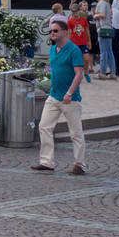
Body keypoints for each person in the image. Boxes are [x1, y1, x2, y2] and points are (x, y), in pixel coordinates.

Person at [30, 20, 86, 175]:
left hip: (70, 98)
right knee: (44, 126)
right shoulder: (53, 49)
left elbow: (79, 74)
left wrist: (69, 93)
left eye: (55, 31)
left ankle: (80, 164)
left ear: (64, 32)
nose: (52, 33)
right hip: (54, 96)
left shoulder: (74, 50)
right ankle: (46, 162)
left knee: (75, 132)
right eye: (50, 31)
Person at [93, 0, 115, 79]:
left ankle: (102, 73)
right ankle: (112, 73)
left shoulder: (101, 3)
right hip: (108, 28)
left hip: (103, 29)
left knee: (103, 52)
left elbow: (102, 14)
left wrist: (95, 16)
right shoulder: (106, 4)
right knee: (109, 51)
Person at [67, 2, 92, 80]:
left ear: (79, 11)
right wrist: (68, 43)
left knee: (86, 58)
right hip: (74, 43)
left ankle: (86, 72)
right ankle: (76, 73)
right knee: (75, 59)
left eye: (76, 12)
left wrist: (89, 41)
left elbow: (87, 31)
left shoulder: (84, 20)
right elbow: (69, 33)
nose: (75, 14)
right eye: (73, 13)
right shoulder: (70, 21)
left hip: (84, 42)